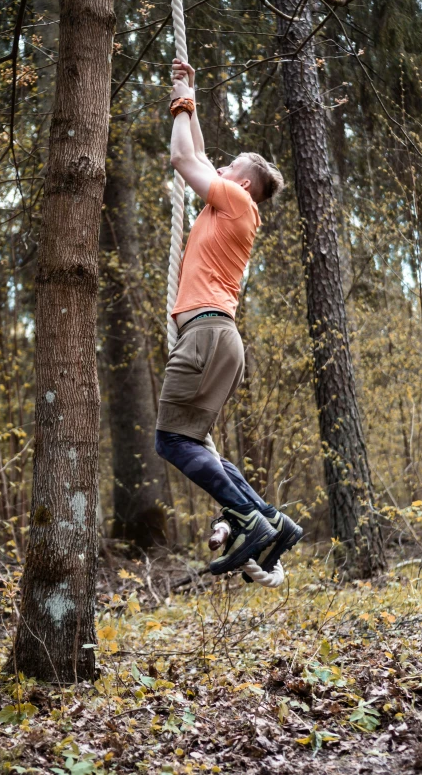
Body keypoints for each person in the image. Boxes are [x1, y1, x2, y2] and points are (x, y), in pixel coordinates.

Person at [155, 58, 303, 577]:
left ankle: (246, 519)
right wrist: (190, 92)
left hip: (206, 335)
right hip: (219, 338)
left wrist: (179, 98)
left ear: (241, 181)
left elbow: (181, 156)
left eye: (227, 166)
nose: (216, 168)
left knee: (171, 441)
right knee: (192, 443)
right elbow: (196, 151)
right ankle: (269, 520)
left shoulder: (235, 200)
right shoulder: (231, 208)